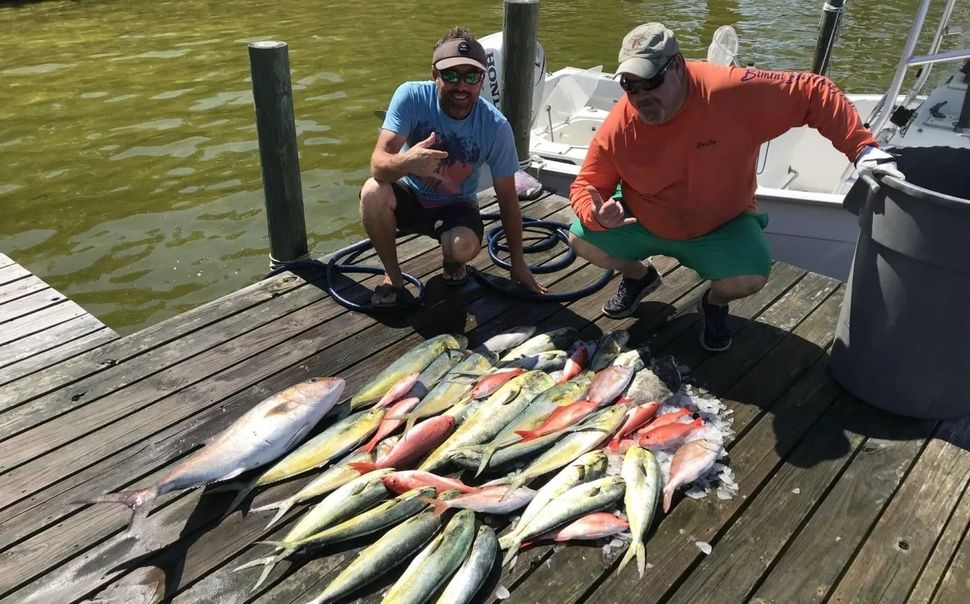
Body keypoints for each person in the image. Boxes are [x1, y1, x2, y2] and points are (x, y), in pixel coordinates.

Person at [568, 23, 903, 351]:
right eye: (630, 85)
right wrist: (597, 215)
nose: (641, 96)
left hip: (721, 224)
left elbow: (813, 90)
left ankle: (713, 304)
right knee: (581, 238)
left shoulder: (729, 91)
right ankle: (639, 277)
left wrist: (862, 149)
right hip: (645, 220)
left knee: (749, 278)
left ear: (678, 67)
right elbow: (586, 185)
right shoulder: (619, 127)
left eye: (650, 81)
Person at [360, 26, 546, 307]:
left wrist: (517, 262)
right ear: (435, 75)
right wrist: (408, 163)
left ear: (482, 80)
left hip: (456, 205)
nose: (461, 85)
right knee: (372, 192)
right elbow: (378, 165)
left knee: (463, 246)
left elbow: (508, 201)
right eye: (451, 75)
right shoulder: (410, 96)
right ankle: (393, 278)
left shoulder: (496, 127)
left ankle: (452, 263)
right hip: (410, 195)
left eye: (471, 76)